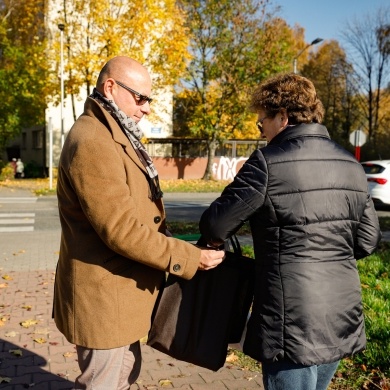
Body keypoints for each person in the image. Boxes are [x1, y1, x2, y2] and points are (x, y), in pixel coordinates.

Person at [199, 73, 381, 390]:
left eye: (262, 122)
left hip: (291, 319)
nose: (262, 131)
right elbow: (368, 240)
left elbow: (216, 225)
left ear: (282, 116)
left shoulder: (267, 163)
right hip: (341, 311)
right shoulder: (350, 165)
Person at [53, 56, 224, 390]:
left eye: (150, 100)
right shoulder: (93, 142)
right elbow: (120, 229)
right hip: (104, 301)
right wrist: (189, 258)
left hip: (119, 296)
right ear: (111, 87)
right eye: (141, 98)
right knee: (104, 383)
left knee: (122, 377)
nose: (147, 108)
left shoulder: (111, 133)